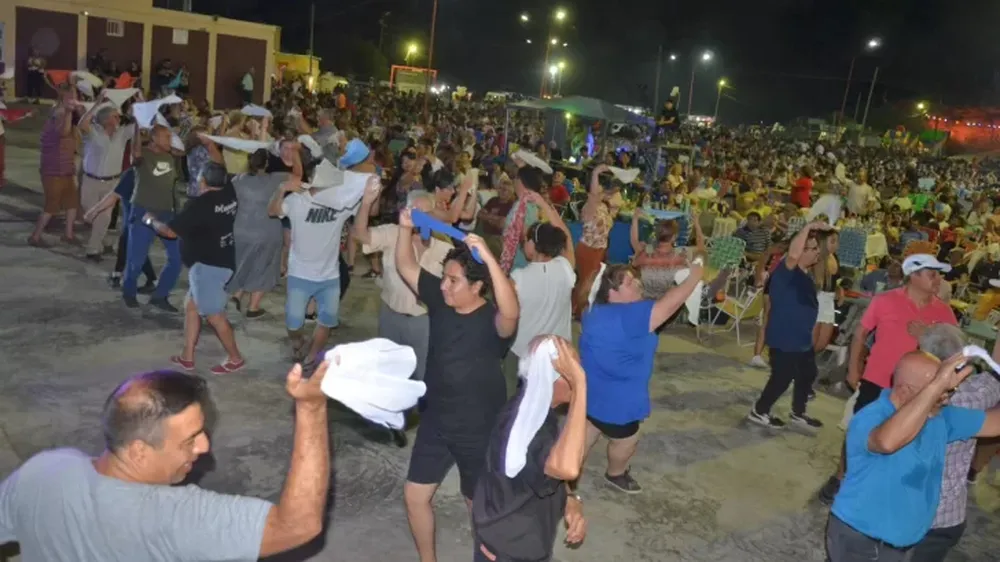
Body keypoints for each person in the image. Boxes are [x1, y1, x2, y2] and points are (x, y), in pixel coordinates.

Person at [0, 363, 332, 560]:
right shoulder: (173, 517)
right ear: (139, 451)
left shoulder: (44, 469)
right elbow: (297, 525)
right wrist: (311, 408)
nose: (204, 446)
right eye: (190, 439)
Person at [393, 208, 519, 562]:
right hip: (436, 422)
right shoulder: (441, 299)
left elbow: (511, 312)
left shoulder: (493, 321)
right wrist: (405, 229)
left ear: (478, 286)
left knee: (475, 504)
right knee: (415, 496)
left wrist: (490, 259)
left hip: (478, 430)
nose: (444, 285)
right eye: (444, 278)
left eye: (454, 280)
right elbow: (405, 266)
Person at [827, 350, 1000, 562]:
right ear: (906, 390)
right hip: (862, 540)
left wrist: (936, 389)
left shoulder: (939, 416)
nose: (946, 399)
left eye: (950, 391)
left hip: (904, 543)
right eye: (941, 392)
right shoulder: (871, 416)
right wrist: (937, 386)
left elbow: (994, 424)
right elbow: (887, 442)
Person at [819, 253, 958, 503]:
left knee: (904, 439)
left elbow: (954, 353)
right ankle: (841, 477)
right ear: (914, 275)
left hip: (919, 390)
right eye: (932, 274)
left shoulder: (944, 311)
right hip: (878, 380)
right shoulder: (885, 301)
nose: (938, 280)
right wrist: (853, 368)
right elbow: (860, 334)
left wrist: (927, 335)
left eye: (938, 275)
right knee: (860, 433)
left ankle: (881, 487)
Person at [578, 254, 704, 493]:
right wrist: (693, 278)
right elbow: (670, 304)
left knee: (589, 427)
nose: (638, 284)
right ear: (612, 292)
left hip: (592, 390)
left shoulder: (593, 309)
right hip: (620, 400)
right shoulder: (632, 316)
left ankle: (567, 472)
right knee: (626, 440)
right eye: (629, 283)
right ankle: (615, 473)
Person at [472, 337, 588, 562]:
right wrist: (581, 386)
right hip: (510, 551)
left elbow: (549, 468)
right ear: (553, 380)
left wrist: (570, 499)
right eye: (573, 371)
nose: (580, 372)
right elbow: (568, 468)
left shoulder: (533, 412)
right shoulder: (532, 430)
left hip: (514, 542)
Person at [143, 162, 245, 374]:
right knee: (191, 306)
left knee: (215, 315)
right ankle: (186, 357)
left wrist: (151, 220)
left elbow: (170, 232)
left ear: (204, 181)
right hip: (222, 258)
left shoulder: (200, 205)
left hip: (207, 268)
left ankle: (235, 358)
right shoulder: (229, 192)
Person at [910, 325, 1000, 562]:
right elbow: (996, 375)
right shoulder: (972, 398)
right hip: (945, 518)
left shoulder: (904, 390)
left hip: (903, 510)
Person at [747, 221, 831, 430]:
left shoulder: (806, 275)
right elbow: (792, 255)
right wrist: (808, 226)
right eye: (809, 248)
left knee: (808, 373)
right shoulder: (786, 271)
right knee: (782, 378)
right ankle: (760, 410)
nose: (814, 252)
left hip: (800, 338)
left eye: (815, 248)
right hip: (785, 336)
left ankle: (798, 412)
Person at [505, 192, 576, 394]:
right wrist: (545, 205)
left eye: (525, 239)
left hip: (523, 352)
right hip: (556, 352)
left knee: (518, 400)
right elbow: (567, 237)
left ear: (533, 245)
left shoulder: (518, 278)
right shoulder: (565, 268)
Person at [122, 124, 182, 311]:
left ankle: (160, 295)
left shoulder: (171, 155)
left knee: (177, 257)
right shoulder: (143, 156)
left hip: (167, 213)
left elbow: (183, 148)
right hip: (142, 211)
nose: (169, 140)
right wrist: (139, 124)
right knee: (136, 260)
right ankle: (129, 291)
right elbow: (136, 152)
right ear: (154, 138)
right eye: (165, 137)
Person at [228, 149, 287, 318]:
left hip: (241, 229)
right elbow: (298, 174)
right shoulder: (276, 179)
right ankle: (253, 307)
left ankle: (236, 297)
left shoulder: (237, 180)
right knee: (265, 267)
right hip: (267, 231)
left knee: (242, 264)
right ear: (267, 163)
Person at [79, 102, 136, 261]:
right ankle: (106, 241)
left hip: (112, 183)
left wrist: (140, 102)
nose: (119, 118)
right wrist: (97, 103)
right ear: (105, 120)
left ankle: (93, 249)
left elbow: (141, 122)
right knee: (91, 213)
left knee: (103, 216)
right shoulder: (93, 133)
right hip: (90, 180)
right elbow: (82, 123)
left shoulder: (122, 134)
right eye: (115, 116)